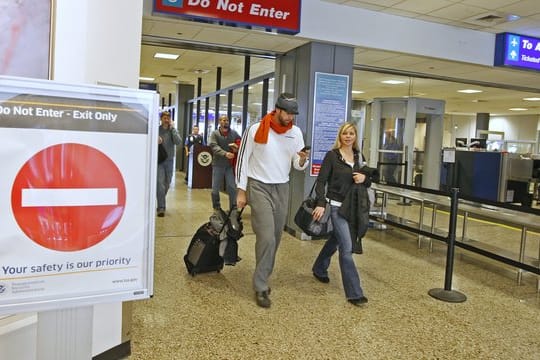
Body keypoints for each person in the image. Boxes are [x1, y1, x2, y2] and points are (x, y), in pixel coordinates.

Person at [235, 93, 309, 308]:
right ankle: (260, 286)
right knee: (266, 236)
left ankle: (263, 273)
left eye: (293, 114)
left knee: (275, 238)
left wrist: (302, 160)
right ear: (277, 109)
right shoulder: (256, 129)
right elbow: (243, 160)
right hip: (258, 186)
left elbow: (296, 164)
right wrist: (241, 190)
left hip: (281, 187)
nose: (290, 117)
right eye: (287, 113)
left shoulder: (295, 133)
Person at [311, 122, 372, 306]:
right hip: (337, 207)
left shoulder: (359, 157)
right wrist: (321, 203)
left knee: (335, 240)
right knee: (346, 248)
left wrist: (365, 178)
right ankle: (354, 293)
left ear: (355, 136)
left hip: (352, 208)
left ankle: (319, 268)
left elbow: (366, 181)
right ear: (340, 136)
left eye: (351, 133)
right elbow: (321, 182)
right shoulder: (332, 156)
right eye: (345, 133)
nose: (348, 136)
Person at [209, 115, 241, 212]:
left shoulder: (234, 133)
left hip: (229, 166)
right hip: (218, 165)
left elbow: (240, 142)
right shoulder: (214, 134)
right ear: (219, 122)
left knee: (232, 187)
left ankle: (233, 207)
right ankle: (216, 206)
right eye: (224, 120)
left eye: (227, 120)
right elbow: (214, 146)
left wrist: (236, 147)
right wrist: (225, 153)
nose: (226, 122)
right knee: (215, 188)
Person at [156, 110, 182, 217]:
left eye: (168, 118)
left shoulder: (173, 130)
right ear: (161, 119)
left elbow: (178, 142)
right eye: (164, 118)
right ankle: (161, 207)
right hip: (159, 161)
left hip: (170, 161)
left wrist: (173, 129)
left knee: (167, 183)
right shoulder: (156, 130)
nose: (166, 120)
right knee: (160, 184)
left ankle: (160, 197)